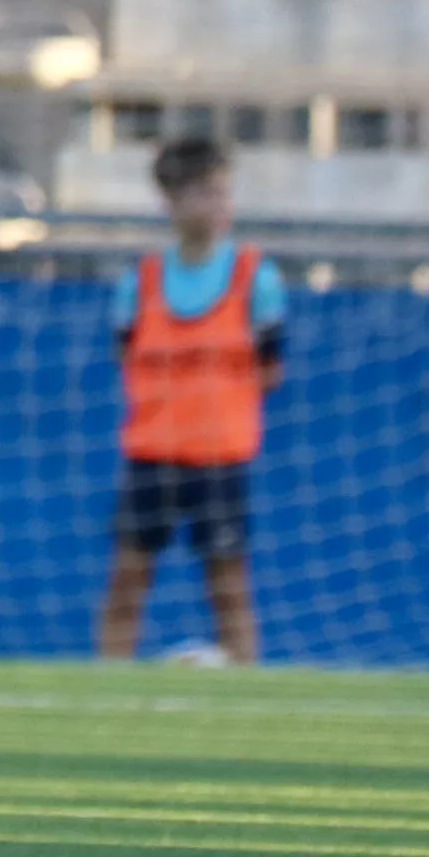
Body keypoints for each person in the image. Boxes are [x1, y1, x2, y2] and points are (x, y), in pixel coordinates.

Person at [98, 135, 286, 664]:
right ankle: (104, 692)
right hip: (152, 453)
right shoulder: (142, 282)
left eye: (223, 193)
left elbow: (271, 367)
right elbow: (126, 355)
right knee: (127, 579)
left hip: (221, 455)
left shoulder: (256, 278)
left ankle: (246, 686)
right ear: (171, 201)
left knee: (228, 585)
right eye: (203, 193)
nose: (217, 206)